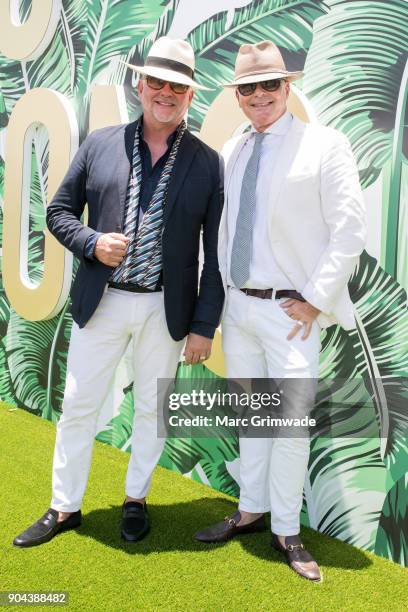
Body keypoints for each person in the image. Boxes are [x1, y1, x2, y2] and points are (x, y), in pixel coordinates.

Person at [13, 37, 224, 547]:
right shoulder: (99, 143)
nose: (166, 92)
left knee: (153, 409)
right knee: (79, 405)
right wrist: (91, 242)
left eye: (178, 86)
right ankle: (64, 508)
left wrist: (202, 324)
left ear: (189, 96)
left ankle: (136, 499)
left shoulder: (207, 162)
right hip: (102, 301)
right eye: (157, 81)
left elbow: (214, 254)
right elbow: (57, 213)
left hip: (164, 309)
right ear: (140, 84)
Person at [194, 40, 366, 582]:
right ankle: (250, 510)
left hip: (291, 316)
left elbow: (350, 229)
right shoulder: (232, 149)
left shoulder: (324, 145)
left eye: (270, 84)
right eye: (249, 87)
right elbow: (220, 234)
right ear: (238, 96)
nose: (260, 95)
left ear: (287, 87)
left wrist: (315, 298)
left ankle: (287, 530)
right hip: (240, 311)